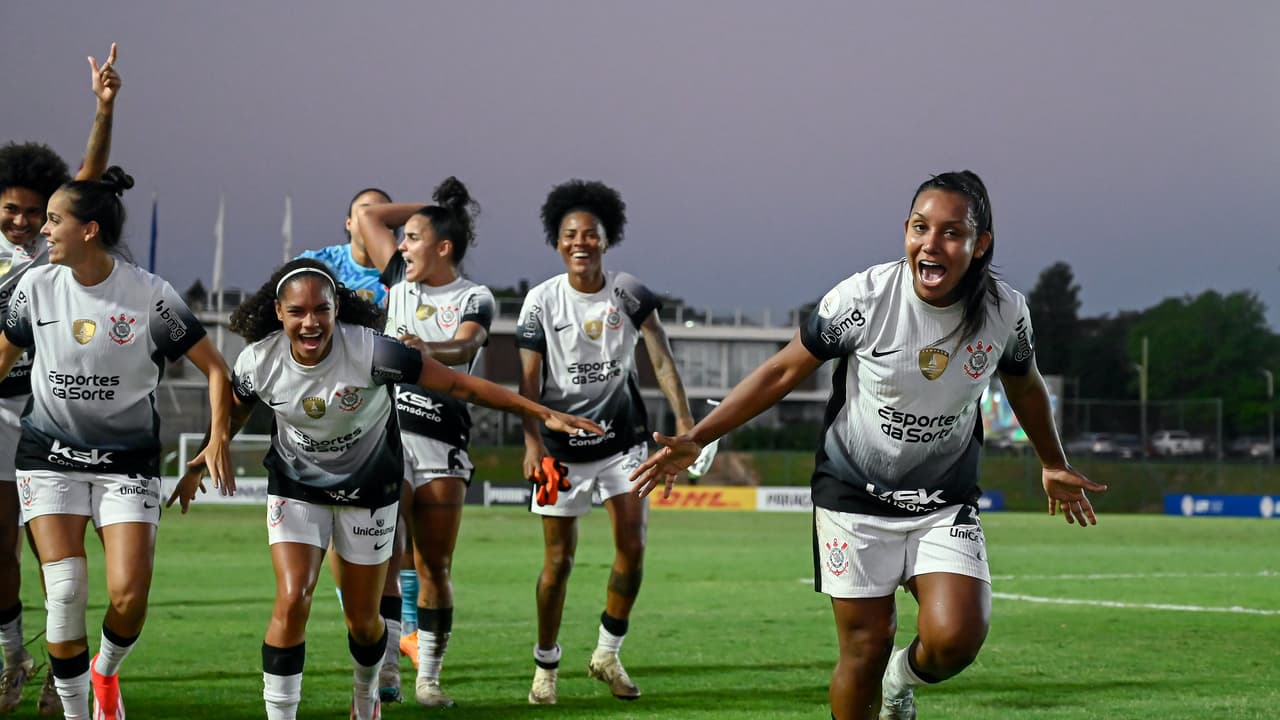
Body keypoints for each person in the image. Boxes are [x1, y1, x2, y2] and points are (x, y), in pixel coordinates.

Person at [629, 171, 1107, 720]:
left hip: (942, 500)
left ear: (981, 245)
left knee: (956, 640)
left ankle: (899, 680)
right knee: (863, 646)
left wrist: (1052, 461)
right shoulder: (863, 298)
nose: (932, 243)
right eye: (921, 228)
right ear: (905, 230)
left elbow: (1024, 383)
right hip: (853, 497)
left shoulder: (1005, 312)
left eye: (952, 233)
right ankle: (880, 675)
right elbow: (783, 371)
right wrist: (697, 436)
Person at [169, 258, 600, 720]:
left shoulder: (375, 352)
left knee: (363, 620)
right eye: (297, 312)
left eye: (321, 310)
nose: (310, 322)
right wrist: (208, 452)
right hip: (296, 486)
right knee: (293, 598)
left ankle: (366, 696)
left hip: (370, 490)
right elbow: (236, 409)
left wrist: (540, 413)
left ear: (337, 310)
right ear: (279, 312)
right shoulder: (258, 360)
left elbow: (460, 384)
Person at [0, 166, 232, 720]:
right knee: (66, 591)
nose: (44, 230)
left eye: (54, 220)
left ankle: (105, 670)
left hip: (125, 464)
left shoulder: (151, 296)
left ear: (90, 230)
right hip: (47, 458)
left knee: (128, 598)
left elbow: (217, 369)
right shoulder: (35, 287)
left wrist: (217, 437)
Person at [517, 179, 694, 704]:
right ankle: (545, 666)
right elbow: (526, 387)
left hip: (624, 443)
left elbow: (660, 358)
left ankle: (607, 654)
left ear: (605, 240)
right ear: (557, 242)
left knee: (633, 547)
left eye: (590, 235)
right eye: (570, 234)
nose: (580, 242)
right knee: (558, 563)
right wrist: (531, 442)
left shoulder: (629, 291)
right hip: (560, 451)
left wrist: (687, 427)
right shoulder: (539, 302)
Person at [0, 45, 125, 717]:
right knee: (1, 545)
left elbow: (89, 173)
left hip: (49, 410)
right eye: (11, 209)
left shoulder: (56, 248)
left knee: (60, 551)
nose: (23, 221)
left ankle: (63, 667)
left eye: (33, 211)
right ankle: (14, 654)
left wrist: (103, 109)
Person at [355, 176, 492, 707]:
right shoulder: (398, 281)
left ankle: (429, 678)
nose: (403, 246)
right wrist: (440, 207)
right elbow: (370, 218)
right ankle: (387, 669)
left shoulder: (474, 296)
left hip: (442, 442)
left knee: (435, 566)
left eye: (414, 237)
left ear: (444, 248)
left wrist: (422, 348)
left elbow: (467, 347)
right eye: (404, 238)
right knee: (388, 555)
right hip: (388, 434)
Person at [296, 186, 410, 702]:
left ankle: (386, 668)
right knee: (337, 565)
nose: (372, 224)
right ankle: (369, 646)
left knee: (390, 549)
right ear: (348, 224)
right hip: (319, 423)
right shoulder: (317, 264)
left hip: (381, 417)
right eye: (364, 215)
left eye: (380, 216)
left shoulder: (400, 273)